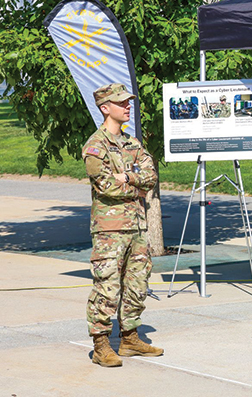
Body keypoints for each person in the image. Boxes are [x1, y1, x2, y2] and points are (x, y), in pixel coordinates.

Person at [82, 83, 163, 367]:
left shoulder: (133, 144)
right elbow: (105, 186)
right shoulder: (95, 145)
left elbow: (151, 176)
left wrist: (126, 177)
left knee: (137, 284)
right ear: (105, 108)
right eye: (121, 103)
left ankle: (129, 338)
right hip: (109, 229)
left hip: (137, 227)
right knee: (107, 287)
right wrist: (136, 184)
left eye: (128, 102)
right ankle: (101, 344)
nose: (128, 107)